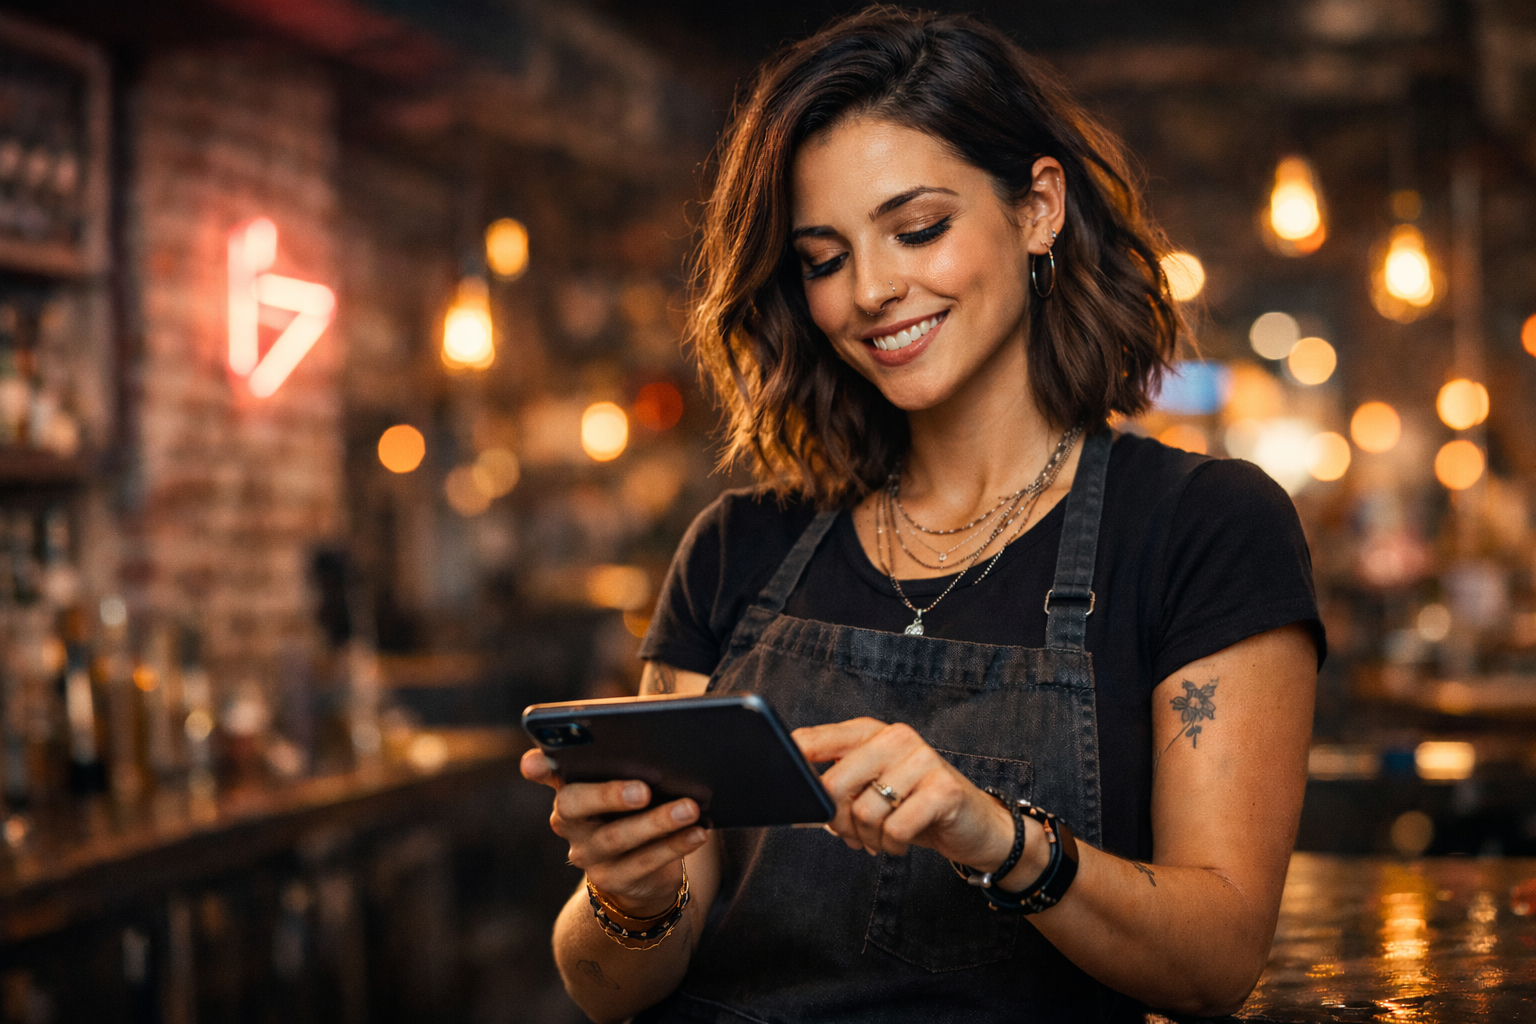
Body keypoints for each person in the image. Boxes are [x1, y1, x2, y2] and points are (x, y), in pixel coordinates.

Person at [521, 8, 1323, 1022]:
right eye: (824, 258)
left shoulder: (1202, 529)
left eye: (918, 229)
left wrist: (997, 838)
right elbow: (606, 990)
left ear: (1038, 208)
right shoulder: (738, 547)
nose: (870, 291)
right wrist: (630, 898)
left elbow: (1217, 959)